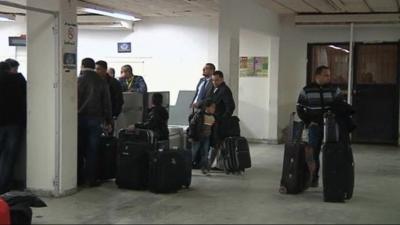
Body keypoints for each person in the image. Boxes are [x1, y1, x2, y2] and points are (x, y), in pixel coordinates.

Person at [297, 65, 344, 187]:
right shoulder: (306, 90)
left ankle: (332, 179)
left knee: (332, 152)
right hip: (315, 127)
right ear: (317, 76)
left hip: (331, 127)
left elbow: (342, 106)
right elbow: (300, 108)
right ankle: (313, 178)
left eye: (329, 75)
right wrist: (308, 121)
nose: (329, 77)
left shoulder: (335, 90)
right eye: (326, 75)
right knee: (313, 153)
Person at [78, 58, 112, 187]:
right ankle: (90, 179)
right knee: (93, 149)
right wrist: (108, 120)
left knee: (79, 148)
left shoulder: (77, 80)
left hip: (78, 118)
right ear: (93, 67)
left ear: (82, 66)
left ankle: (78, 178)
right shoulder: (101, 81)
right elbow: (106, 102)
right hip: (95, 119)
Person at [0, 60, 26, 194]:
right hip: (13, 123)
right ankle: (3, 186)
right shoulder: (18, 80)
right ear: (10, 69)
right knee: (8, 157)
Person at [207, 70, 236, 169]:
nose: (214, 82)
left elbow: (230, 106)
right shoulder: (215, 89)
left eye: (217, 80)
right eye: (213, 80)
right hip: (215, 120)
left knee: (217, 143)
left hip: (221, 122)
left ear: (222, 79)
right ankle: (218, 164)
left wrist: (223, 119)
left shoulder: (224, 90)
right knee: (218, 144)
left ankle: (213, 165)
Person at [188, 99, 217, 176]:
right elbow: (192, 125)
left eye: (214, 107)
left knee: (205, 153)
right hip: (197, 137)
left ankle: (204, 168)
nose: (214, 109)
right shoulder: (199, 115)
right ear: (207, 107)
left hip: (206, 137)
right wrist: (191, 136)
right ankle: (187, 168)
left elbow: (213, 128)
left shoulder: (213, 117)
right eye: (212, 107)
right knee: (193, 153)